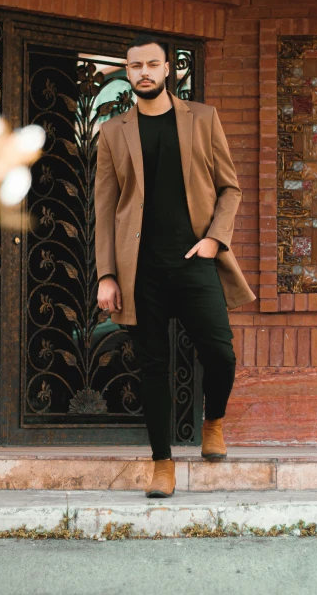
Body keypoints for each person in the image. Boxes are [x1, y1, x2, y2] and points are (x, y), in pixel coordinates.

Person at [95, 34, 256, 498]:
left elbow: (231, 188)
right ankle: (161, 463)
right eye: (134, 66)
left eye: (152, 64)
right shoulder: (112, 132)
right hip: (139, 269)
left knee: (221, 353)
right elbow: (105, 208)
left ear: (168, 69)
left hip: (194, 260)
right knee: (152, 367)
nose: (143, 72)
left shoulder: (202, 119)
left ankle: (214, 421)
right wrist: (107, 273)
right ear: (127, 73)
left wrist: (214, 239)